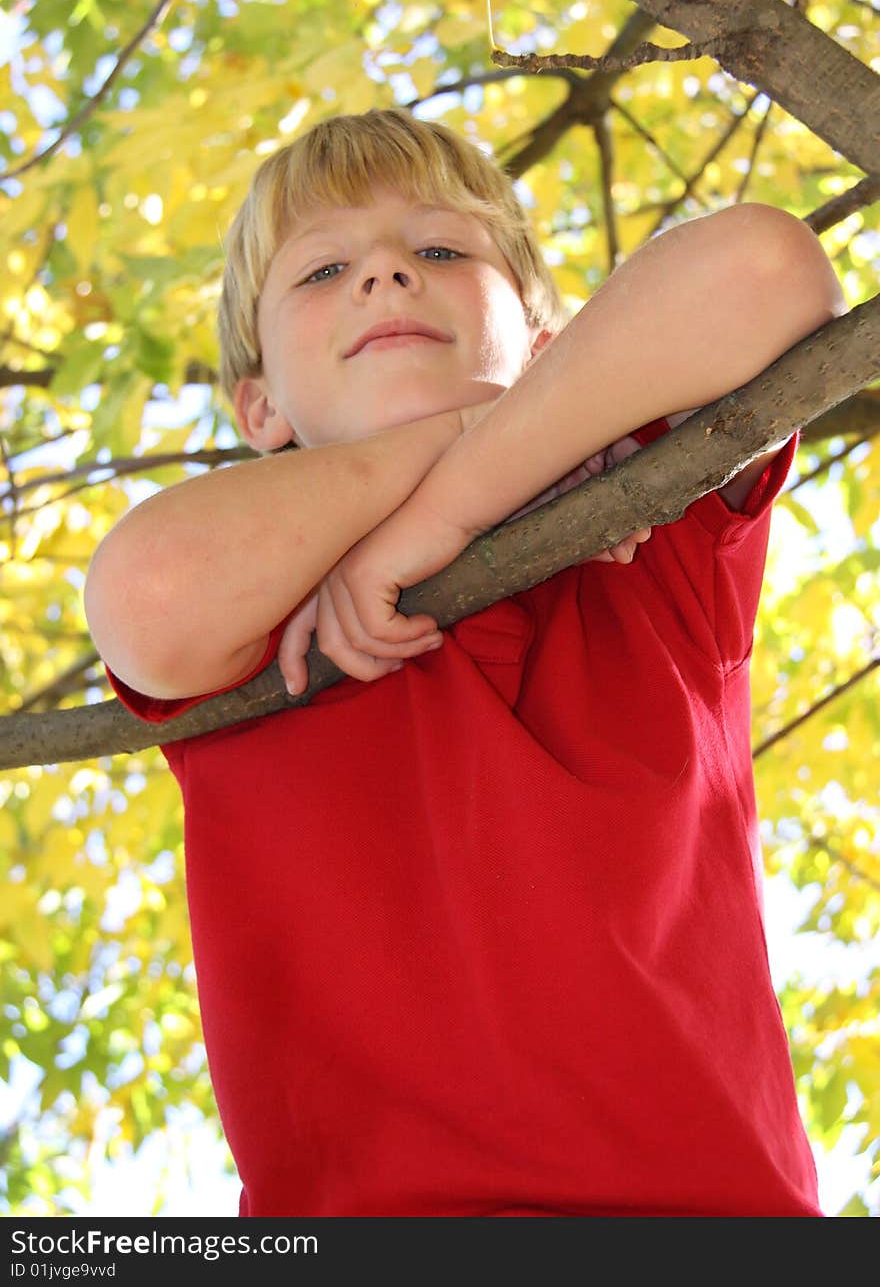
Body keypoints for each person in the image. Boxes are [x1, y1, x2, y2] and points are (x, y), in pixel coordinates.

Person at [84, 107, 847, 1217]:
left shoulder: (646, 525)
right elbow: (146, 593)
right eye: (325, 270)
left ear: (547, 346)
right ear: (258, 408)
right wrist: (456, 446)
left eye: (440, 250)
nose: (387, 274)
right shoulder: (256, 610)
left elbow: (769, 268)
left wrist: (437, 518)